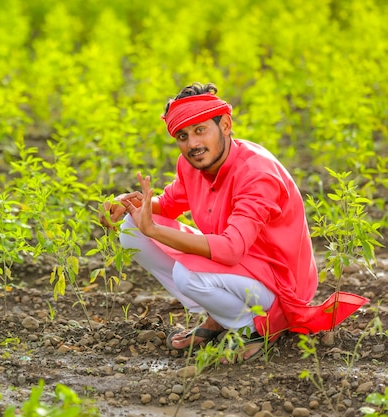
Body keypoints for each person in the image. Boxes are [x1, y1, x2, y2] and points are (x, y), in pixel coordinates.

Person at [101, 82, 368, 362]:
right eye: (182, 136)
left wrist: (154, 229)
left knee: (187, 275)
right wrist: (127, 203)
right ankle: (221, 316)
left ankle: (252, 328)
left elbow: (230, 249)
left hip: (277, 284)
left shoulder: (257, 174)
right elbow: (167, 205)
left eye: (200, 130)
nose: (192, 144)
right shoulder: (193, 164)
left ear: (225, 125)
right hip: (237, 270)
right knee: (132, 229)